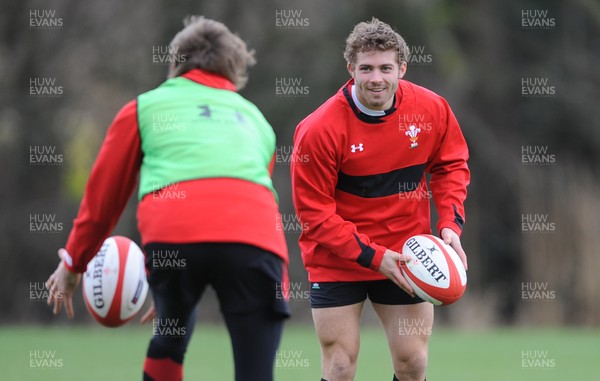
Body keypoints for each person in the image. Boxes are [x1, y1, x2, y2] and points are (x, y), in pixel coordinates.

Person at [45, 16, 290, 381]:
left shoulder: (145, 107)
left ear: (175, 62)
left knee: (170, 338)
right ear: (234, 67)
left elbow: (104, 200)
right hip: (255, 240)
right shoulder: (255, 119)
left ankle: (172, 317)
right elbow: (250, 192)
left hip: (176, 238)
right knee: (256, 370)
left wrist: (73, 263)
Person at [291, 18, 470, 381]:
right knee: (340, 365)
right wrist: (373, 257)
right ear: (350, 69)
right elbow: (315, 215)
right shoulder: (319, 129)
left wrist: (450, 225)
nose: (376, 78)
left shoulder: (431, 109)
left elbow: (451, 165)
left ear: (402, 68)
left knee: (413, 363)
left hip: (407, 254)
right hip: (338, 256)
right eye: (366, 68)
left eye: (386, 68)